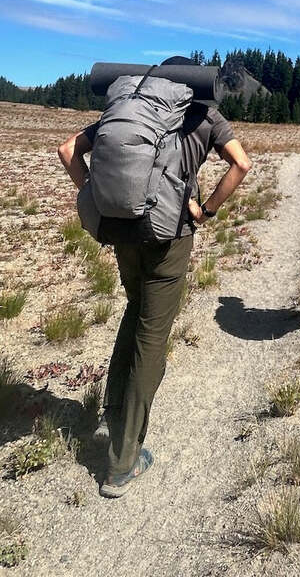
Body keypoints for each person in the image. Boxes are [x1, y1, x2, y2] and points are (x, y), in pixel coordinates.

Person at [57, 57, 251, 497]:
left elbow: (68, 150)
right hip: (170, 236)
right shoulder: (205, 116)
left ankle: (112, 414)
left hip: (122, 230)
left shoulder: (132, 107)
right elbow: (241, 164)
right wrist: (207, 210)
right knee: (152, 336)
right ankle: (123, 461)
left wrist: (92, 193)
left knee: (134, 309)